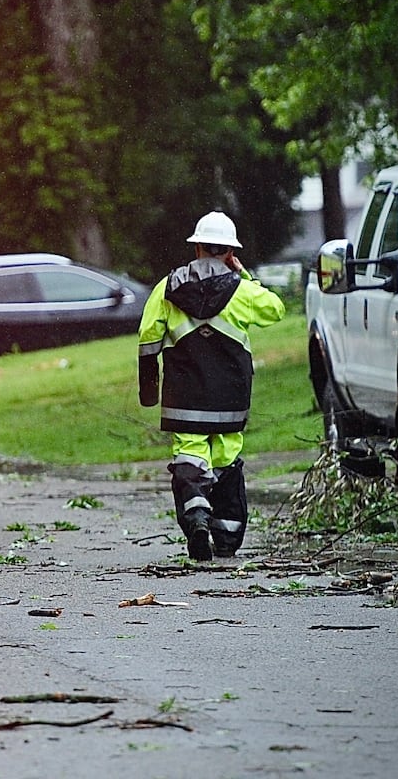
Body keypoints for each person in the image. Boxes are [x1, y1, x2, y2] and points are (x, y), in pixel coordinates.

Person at [137, 211, 286, 561]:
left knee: (190, 453)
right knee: (226, 458)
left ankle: (197, 517)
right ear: (230, 253)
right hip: (229, 399)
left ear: (198, 248)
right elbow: (276, 310)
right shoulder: (242, 290)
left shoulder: (167, 287)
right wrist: (244, 276)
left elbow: (148, 337)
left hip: (182, 398)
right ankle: (227, 536)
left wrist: (149, 389)